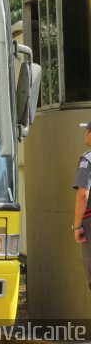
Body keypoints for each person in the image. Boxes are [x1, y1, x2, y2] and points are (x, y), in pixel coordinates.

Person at [72, 122, 91, 289]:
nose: (84, 133)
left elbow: (83, 194)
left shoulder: (87, 159)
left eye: (86, 130)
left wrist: (77, 226)